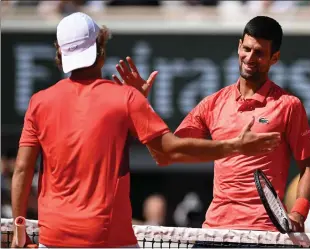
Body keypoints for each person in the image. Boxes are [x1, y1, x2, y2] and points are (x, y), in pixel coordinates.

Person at [11, 13, 281, 248]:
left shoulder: (39, 102)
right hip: (107, 238)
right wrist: (236, 146)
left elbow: (23, 170)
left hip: (53, 236)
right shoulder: (124, 99)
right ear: (100, 50)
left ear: (61, 53)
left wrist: (19, 229)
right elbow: (169, 152)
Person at [114, 16, 310, 236]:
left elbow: (308, 167)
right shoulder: (212, 104)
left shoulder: (289, 106)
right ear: (239, 46)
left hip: (264, 233)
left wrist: (299, 213)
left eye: (259, 53)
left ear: (274, 58)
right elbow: (166, 155)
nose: (250, 58)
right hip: (217, 230)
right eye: (247, 49)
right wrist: (141, 107)